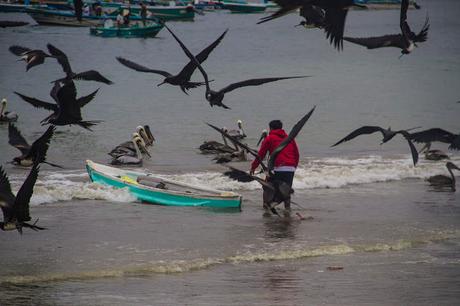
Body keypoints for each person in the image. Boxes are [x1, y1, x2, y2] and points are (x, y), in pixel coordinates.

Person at [250, 120, 299, 210]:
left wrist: (253, 166)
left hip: (278, 168)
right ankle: (287, 210)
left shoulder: (270, 138)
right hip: (290, 168)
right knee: (286, 190)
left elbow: (261, 154)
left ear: (271, 128)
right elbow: (296, 154)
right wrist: (293, 167)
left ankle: (266, 207)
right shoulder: (289, 138)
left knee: (267, 187)